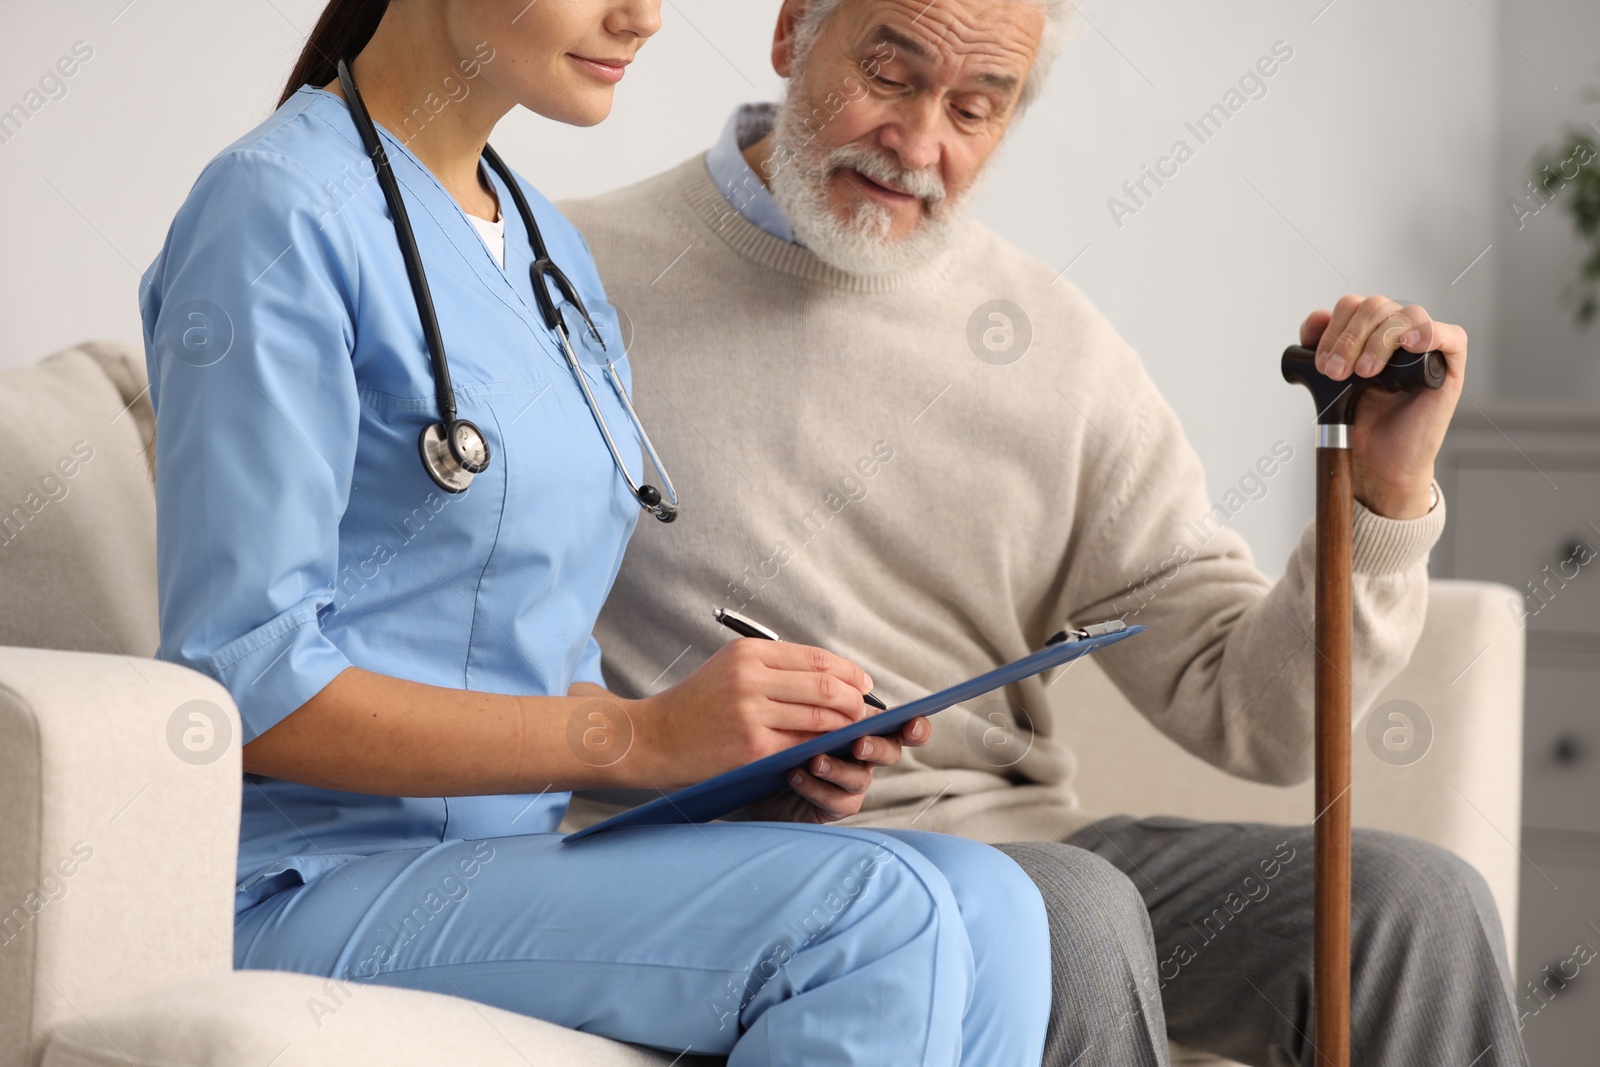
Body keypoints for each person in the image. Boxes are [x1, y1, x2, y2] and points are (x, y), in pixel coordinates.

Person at [563, 0, 1532, 1064]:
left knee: (1412, 907)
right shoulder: (571, 278)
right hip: (707, 861)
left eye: (976, 109)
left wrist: (1381, 496)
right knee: (1062, 910)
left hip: (1004, 840)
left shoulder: (1053, 349)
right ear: (794, 32)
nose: (920, 144)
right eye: (889, 77)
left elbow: (1259, 717)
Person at [137, 1, 1052, 1062]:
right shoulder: (276, 209)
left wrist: (728, 758)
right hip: (307, 882)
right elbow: (246, 684)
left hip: (499, 864)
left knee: (992, 901)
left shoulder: (542, 248)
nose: (644, 16)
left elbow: (530, 673)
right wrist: (637, 736)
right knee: (870, 912)